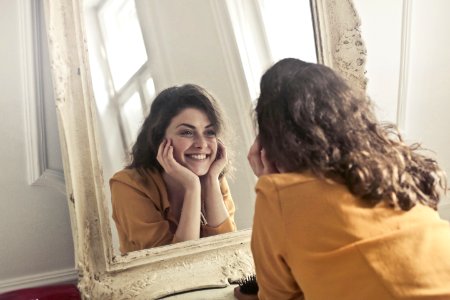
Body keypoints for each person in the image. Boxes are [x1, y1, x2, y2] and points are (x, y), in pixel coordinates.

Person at [247, 58, 450, 299]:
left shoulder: (279, 196)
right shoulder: (394, 165)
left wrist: (269, 182)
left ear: (269, 144)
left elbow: (277, 297)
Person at [110, 84, 236, 254]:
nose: (202, 144)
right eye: (186, 132)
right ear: (159, 139)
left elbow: (229, 252)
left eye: (210, 132)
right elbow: (173, 264)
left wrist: (211, 181)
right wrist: (192, 187)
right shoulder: (127, 185)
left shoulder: (213, 178)